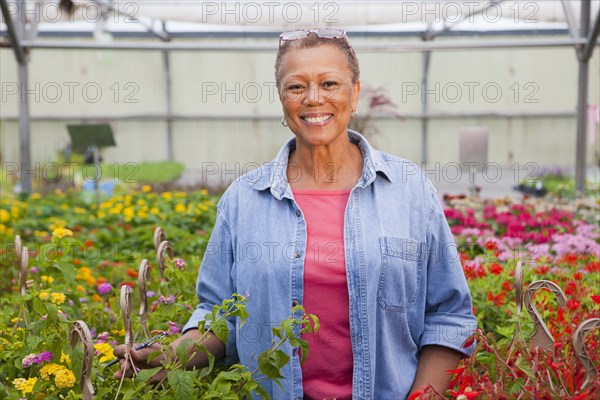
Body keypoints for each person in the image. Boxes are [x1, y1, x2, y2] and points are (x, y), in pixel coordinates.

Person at [114, 28, 477, 399]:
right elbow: (219, 317)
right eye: (296, 87)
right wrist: (170, 355)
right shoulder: (244, 199)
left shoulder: (408, 190)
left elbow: (449, 315)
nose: (314, 99)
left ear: (355, 93)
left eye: (330, 83)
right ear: (282, 99)